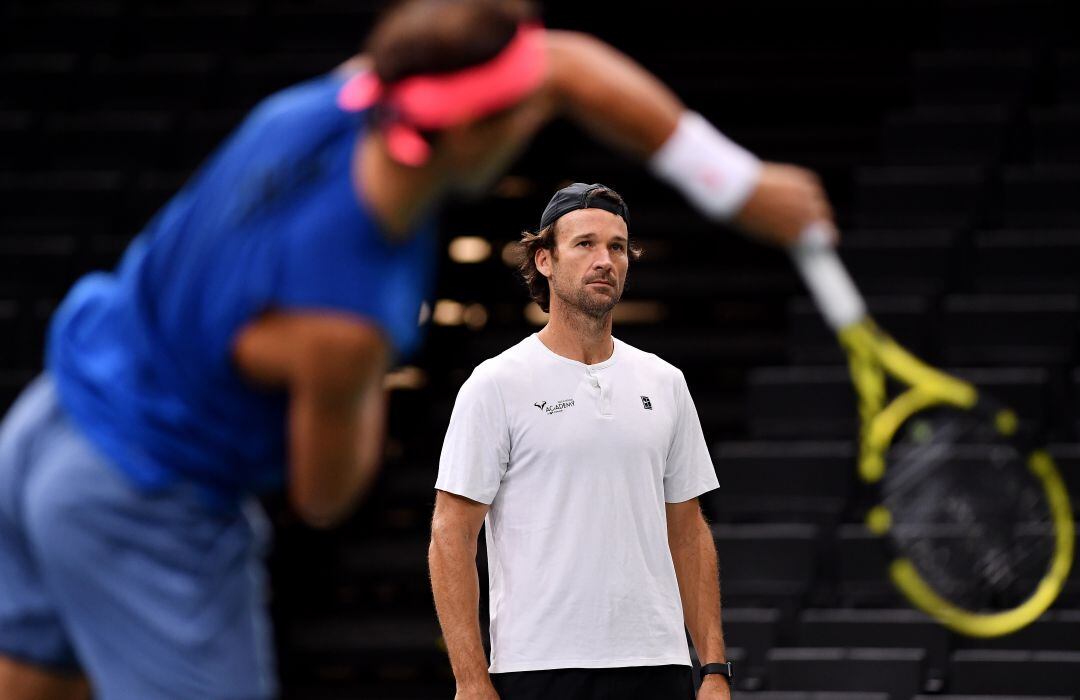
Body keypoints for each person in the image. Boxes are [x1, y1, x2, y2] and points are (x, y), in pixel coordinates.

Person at [0, 0, 833, 697]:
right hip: (144, 502)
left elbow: (565, 67)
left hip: (46, 418)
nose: (536, 112)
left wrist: (737, 184)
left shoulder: (344, 98)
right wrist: (352, 388)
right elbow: (325, 495)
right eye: (518, 113)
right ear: (474, 136)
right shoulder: (348, 319)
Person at [430, 183, 731, 700]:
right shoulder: (496, 383)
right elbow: (450, 537)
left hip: (658, 666)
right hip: (539, 668)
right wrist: (470, 681)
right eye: (585, 244)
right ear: (544, 260)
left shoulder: (665, 382)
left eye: (617, 246)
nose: (605, 260)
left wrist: (714, 669)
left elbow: (689, 532)